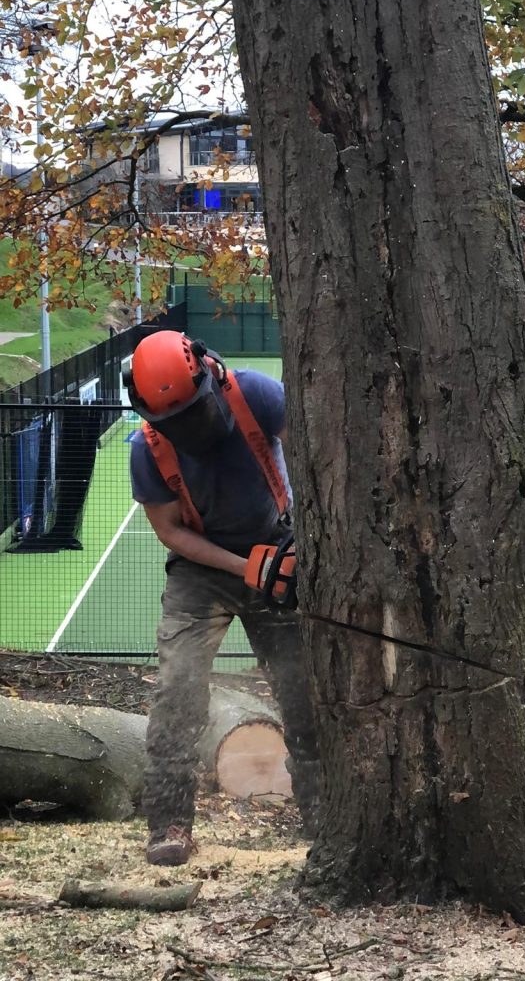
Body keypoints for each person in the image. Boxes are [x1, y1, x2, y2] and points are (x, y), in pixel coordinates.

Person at [125, 330, 318, 866]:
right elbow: (171, 531)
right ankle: (169, 823)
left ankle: (324, 812)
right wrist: (241, 569)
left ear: (208, 372)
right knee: (179, 690)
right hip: (202, 568)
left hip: (278, 546)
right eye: (175, 421)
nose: (189, 428)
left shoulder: (257, 394)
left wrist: (301, 539)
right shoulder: (148, 449)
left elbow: (309, 459)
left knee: (303, 688)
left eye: (193, 412)